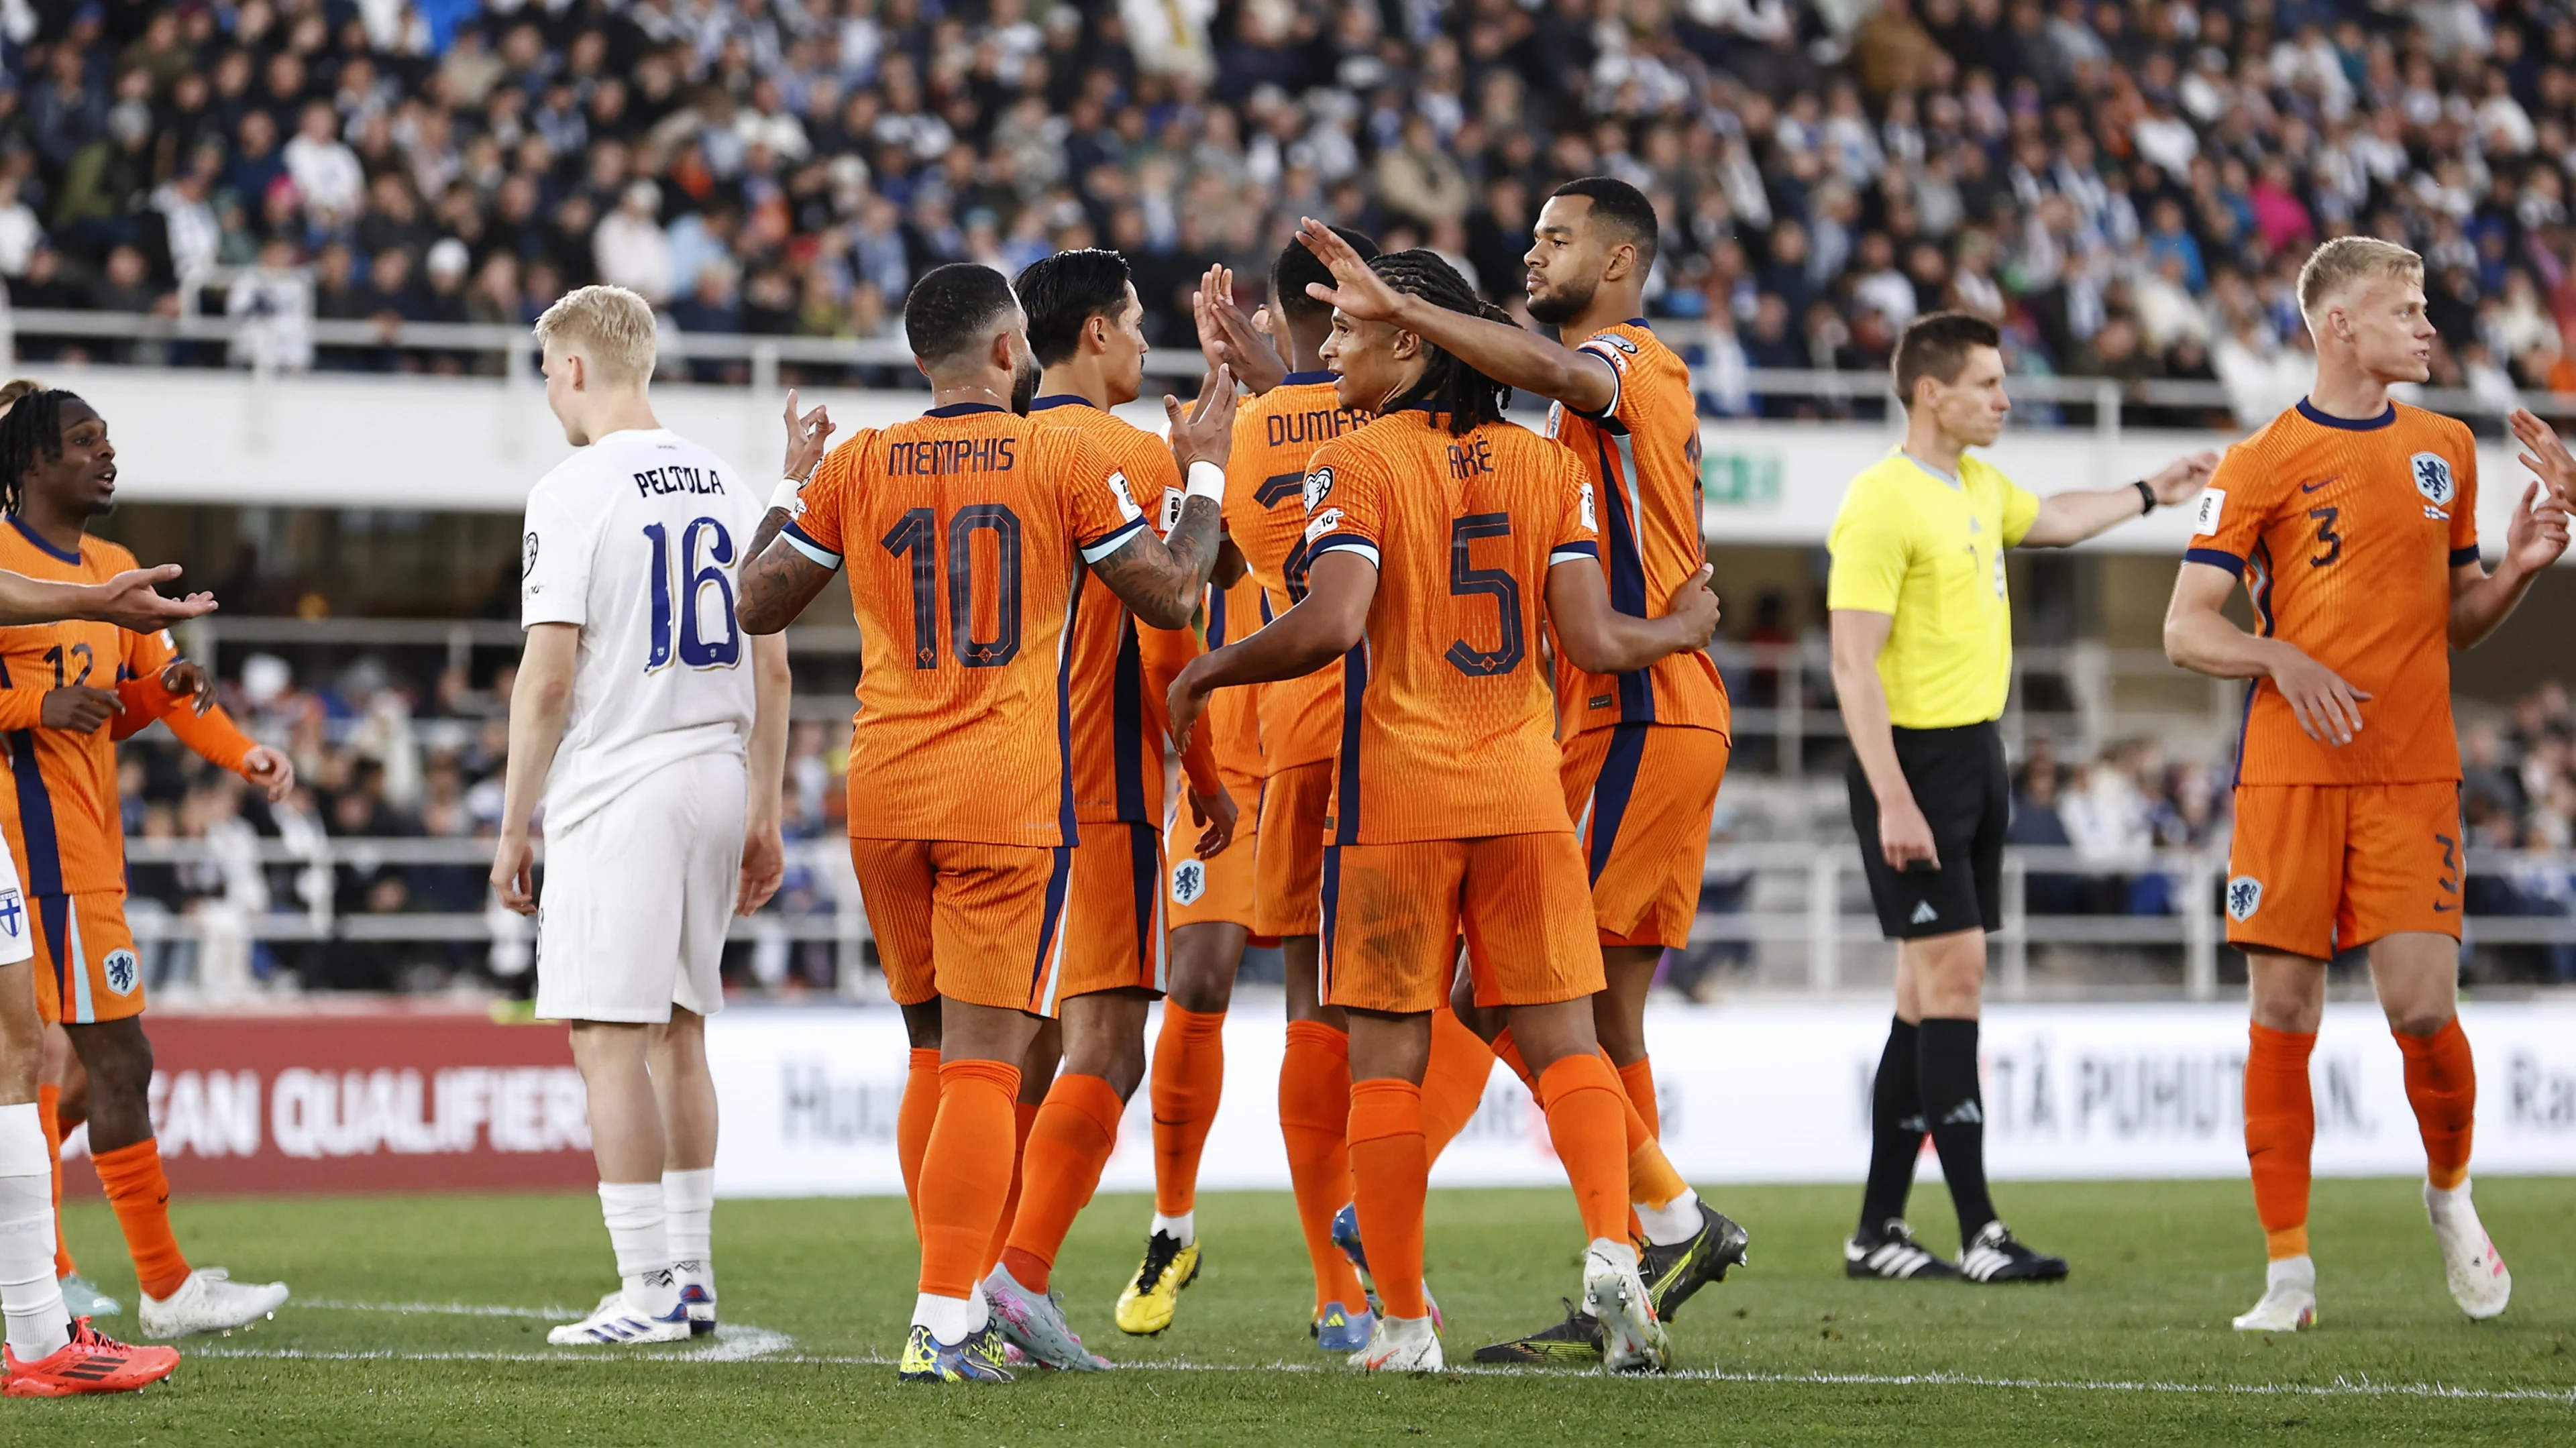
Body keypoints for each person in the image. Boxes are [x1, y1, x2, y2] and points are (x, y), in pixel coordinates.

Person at [1167, 249, 1721, 1374]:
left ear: (1411, 344)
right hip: (1523, 795)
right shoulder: (1544, 462)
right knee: (1566, 1042)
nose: (1330, 353)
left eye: (1348, 334)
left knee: (1385, 1064)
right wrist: (1679, 630)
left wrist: (1209, 670)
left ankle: (1406, 1324)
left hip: (1398, 802)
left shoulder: (1355, 459)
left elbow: (1333, 622)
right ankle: (1614, 1248)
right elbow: (1592, 638)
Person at [733, 262, 1233, 1384]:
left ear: (923, 359)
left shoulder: (857, 462)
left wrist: (788, 482)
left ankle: (949, 1300)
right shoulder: (1059, 456)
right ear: (1011, 352)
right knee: (983, 1069)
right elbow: (1173, 592)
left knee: (930, 1050)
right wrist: (1203, 470)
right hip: (1003, 793)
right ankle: (945, 1319)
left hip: (884, 791)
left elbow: (754, 600)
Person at [2162, 236, 2567, 1331]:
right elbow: (2187, 629)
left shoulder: (2446, 448)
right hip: (2290, 775)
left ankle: (2450, 1192)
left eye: (2426, 307)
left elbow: (2458, 620)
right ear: (2339, 325)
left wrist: (2522, 569)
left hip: (2410, 771)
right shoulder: (2261, 460)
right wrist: (2280, 657)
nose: (2429, 326)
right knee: (2283, 1013)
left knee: (2424, 1012)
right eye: (2407, 309)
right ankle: (2288, 1273)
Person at [1827, 311, 2216, 1282]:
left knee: (1923, 999)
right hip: (1912, 766)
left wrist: (2150, 492)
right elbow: (1851, 664)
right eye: (1989, 384)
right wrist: (1893, 798)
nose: (2006, 399)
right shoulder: (1879, 502)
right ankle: (1980, 1231)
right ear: (1931, 392)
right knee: (1956, 981)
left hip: (1974, 756)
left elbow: (2058, 518)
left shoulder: (1974, 485)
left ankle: (1877, 1231)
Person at [490, 285, 794, 1347]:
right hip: (716, 770)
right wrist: (765, 808)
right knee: (680, 1030)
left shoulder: (571, 488)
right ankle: (692, 1276)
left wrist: (513, 823)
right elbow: (775, 665)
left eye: (547, 374)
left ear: (574, 368)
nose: (549, 394)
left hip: (623, 781)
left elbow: (547, 678)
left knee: (607, 1036)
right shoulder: (728, 479)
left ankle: (647, 1285)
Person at [977, 247, 1238, 1368]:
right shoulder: (1126, 452)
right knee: (1108, 1046)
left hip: (993, 781)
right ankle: (1019, 1277)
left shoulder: (997, 447)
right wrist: (1207, 778)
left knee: (1014, 1054)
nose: (1141, 343)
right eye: (1133, 324)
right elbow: (1170, 635)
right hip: (1101, 783)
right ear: (1094, 332)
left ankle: (961, 1286)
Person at [0, 388, 296, 1343]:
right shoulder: (3, 562)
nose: (108, 454)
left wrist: (225, 739)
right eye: (85, 441)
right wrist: (32, 709)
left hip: (90, 851)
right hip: (35, 852)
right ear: (32, 462)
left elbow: (126, 706)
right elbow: (45, 708)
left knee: (70, 1073)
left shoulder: (114, 567)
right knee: (95, 1060)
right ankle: (144, 1285)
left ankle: (60, 1271)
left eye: (108, 439)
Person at [1181, 229, 1384, 1349]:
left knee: (1311, 1004)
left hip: (1298, 732)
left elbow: (1212, 567)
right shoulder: (1410, 415)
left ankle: (1339, 1289)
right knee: (1406, 1008)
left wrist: (1248, 390)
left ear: (1273, 311)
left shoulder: (1252, 428)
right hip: (1412, 735)